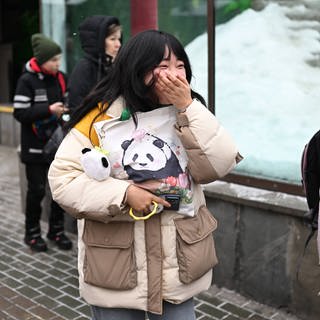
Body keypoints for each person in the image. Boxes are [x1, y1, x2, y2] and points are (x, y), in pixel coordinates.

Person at [48, 30, 242, 319]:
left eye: (180, 66)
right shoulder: (101, 117)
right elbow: (63, 180)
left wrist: (188, 107)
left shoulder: (189, 111)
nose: (174, 75)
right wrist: (124, 194)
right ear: (136, 69)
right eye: (162, 67)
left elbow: (220, 162)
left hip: (177, 267)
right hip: (116, 267)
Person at [13, 33, 72, 252]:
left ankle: (56, 232)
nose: (58, 64)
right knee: (36, 191)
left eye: (59, 59)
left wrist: (65, 110)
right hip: (34, 148)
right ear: (41, 60)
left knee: (58, 190)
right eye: (54, 60)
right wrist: (47, 110)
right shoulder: (26, 81)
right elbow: (19, 113)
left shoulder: (61, 77)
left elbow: (68, 101)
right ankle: (32, 234)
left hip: (58, 145)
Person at [67, 15, 122, 111]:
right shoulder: (84, 68)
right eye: (112, 39)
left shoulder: (114, 67)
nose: (118, 45)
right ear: (98, 42)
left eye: (119, 39)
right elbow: (76, 105)